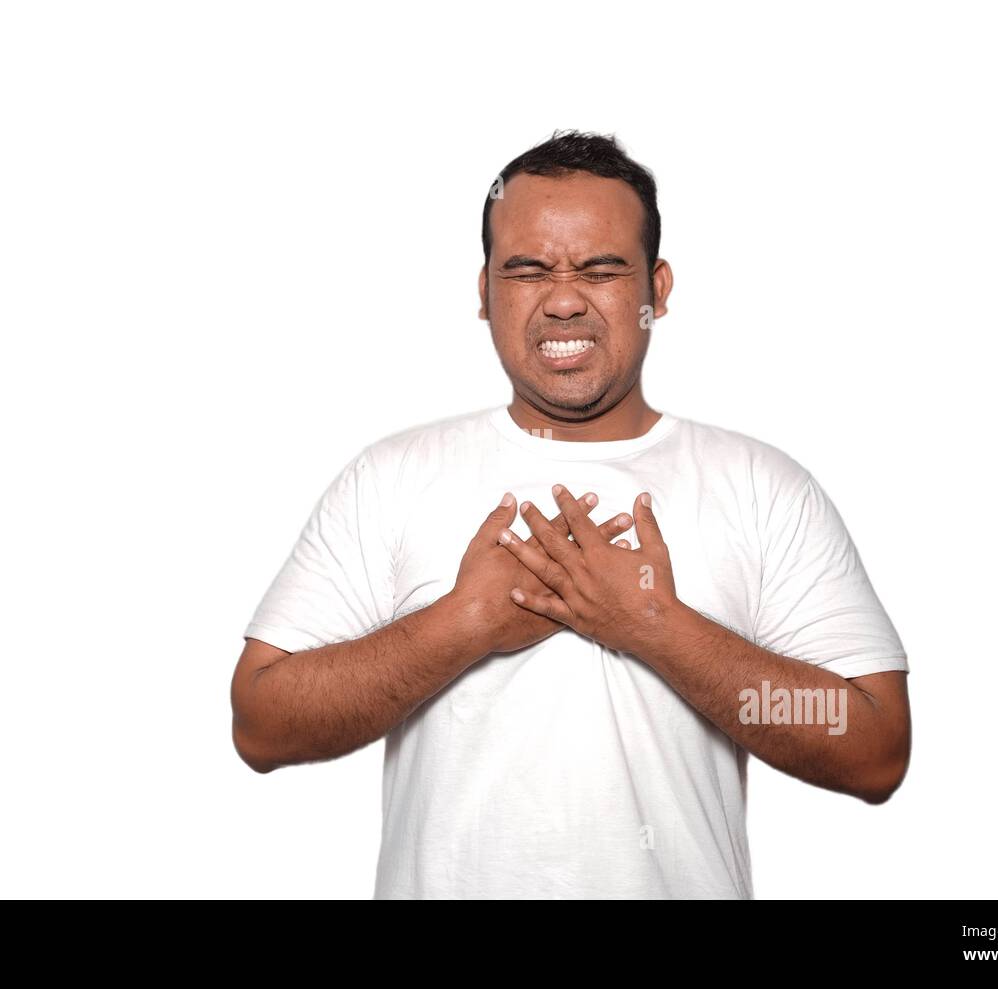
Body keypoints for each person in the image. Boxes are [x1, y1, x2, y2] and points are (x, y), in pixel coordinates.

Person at [230, 129, 911, 899]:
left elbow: (874, 747)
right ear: (484, 290)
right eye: (526, 269)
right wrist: (464, 623)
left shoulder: (762, 485)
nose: (561, 298)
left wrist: (657, 627)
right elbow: (262, 721)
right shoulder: (389, 476)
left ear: (656, 289)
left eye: (601, 268)